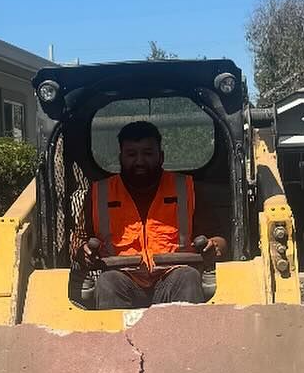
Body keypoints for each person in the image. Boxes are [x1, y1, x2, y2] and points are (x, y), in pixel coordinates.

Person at [76, 120, 227, 308]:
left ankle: (187, 337)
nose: (139, 161)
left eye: (148, 153)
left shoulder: (187, 189)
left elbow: (219, 239)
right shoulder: (99, 194)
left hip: (173, 276)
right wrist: (84, 253)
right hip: (123, 279)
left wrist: (214, 247)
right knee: (107, 282)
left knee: (188, 276)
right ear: (121, 157)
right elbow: (81, 242)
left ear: (161, 157)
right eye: (131, 154)